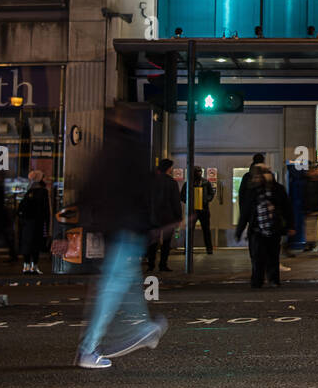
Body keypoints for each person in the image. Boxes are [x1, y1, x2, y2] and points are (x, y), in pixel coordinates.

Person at [75, 108, 167, 369]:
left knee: (124, 279)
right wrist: (151, 226)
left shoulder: (103, 151)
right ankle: (89, 348)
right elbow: (143, 191)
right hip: (127, 227)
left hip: (111, 228)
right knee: (113, 286)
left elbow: (88, 189)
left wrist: (89, 222)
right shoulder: (133, 151)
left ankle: (141, 327)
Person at [248, 165, 293, 288]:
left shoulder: (277, 189)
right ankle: (258, 280)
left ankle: (273, 279)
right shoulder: (254, 189)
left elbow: (286, 208)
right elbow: (247, 210)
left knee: (273, 255)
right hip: (258, 228)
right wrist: (241, 228)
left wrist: (290, 225)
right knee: (258, 256)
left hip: (274, 227)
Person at [145, 159, 183, 272]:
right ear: (168, 168)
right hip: (168, 217)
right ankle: (163, 265)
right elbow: (175, 201)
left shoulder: (151, 181)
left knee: (153, 242)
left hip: (152, 217)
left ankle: (151, 265)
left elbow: (145, 199)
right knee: (166, 243)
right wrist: (178, 217)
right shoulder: (172, 182)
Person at [16, 170, 51, 274]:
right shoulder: (43, 191)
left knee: (27, 244)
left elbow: (21, 208)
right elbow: (46, 209)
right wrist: (47, 222)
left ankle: (26, 265)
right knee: (36, 244)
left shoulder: (28, 191)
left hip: (27, 223)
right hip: (38, 222)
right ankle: (34, 266)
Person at [234, 153, 266, 245]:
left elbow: (244, 201)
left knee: (255, 251)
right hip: (267, 223)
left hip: (253, 221)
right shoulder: (269, 178)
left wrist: (240, 228)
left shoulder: (247, 177)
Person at [186, 166, 216, 254]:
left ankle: (209, 249)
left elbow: (211, 193)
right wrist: (190, 202)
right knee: (190, 230)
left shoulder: (206, 182)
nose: (199, 173)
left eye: (200, 171)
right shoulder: (189, 183)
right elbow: (183, 195)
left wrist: (206, 200)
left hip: (204, 210)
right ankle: (188, 248)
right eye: (197, 172)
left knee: (206, 230)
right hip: (193, 210)